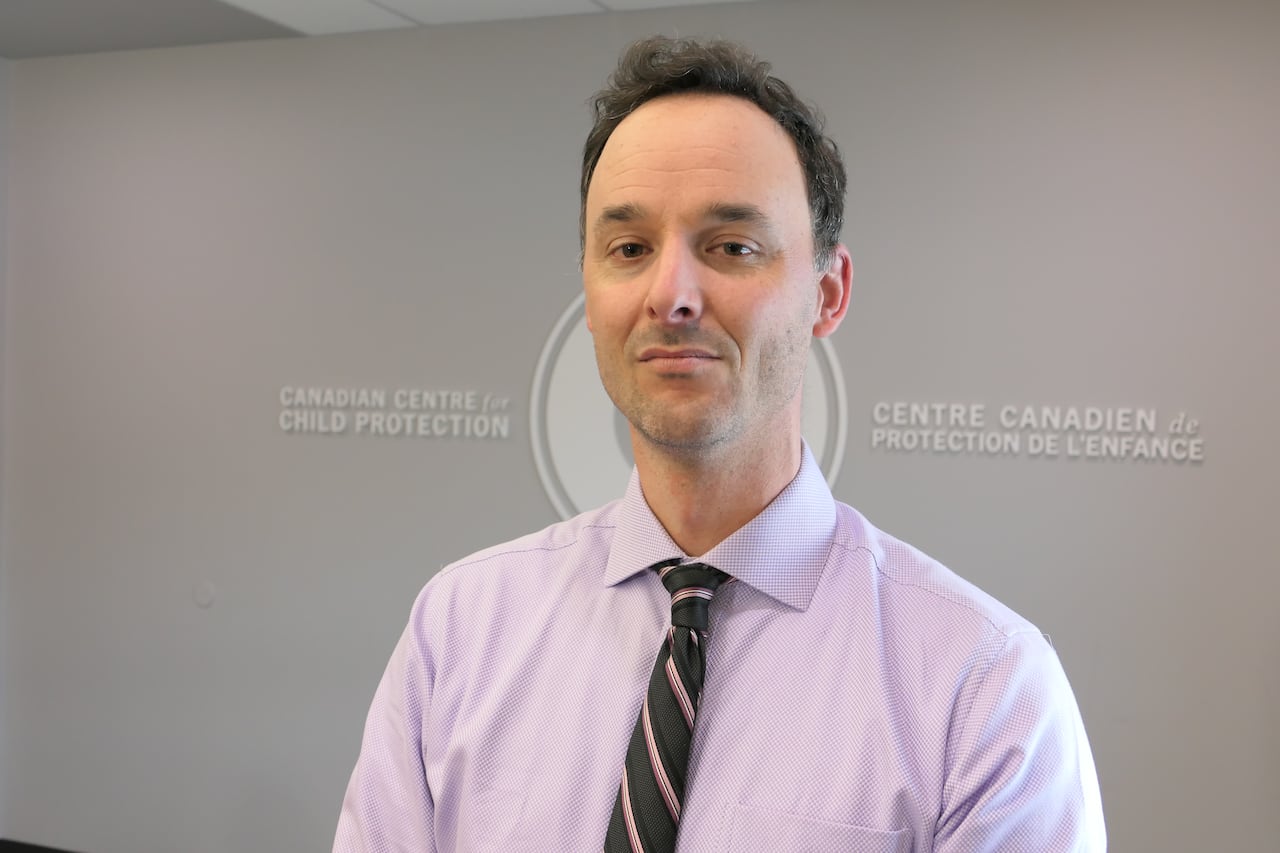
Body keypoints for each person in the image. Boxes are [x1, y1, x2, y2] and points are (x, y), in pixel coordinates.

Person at [335, 35, 1105, 852]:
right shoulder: (457, 630)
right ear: (590, 292)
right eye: (629, 249)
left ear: (828, 292)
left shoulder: (979, 692)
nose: (671, 293)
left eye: (731, 247)